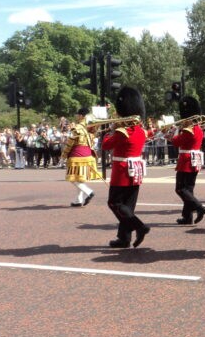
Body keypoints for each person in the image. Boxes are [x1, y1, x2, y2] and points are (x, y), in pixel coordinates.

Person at [102, 87, 150, 248]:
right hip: (135, 169)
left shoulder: (123, 132)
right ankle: (124, 238)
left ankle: (139, 227)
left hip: (122, 170)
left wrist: (110, 130)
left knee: (114, 203)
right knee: (127, 206)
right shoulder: (141, 131)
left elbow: (105, 145)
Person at [168, 96, 205, 225]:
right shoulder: (198, 129)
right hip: (194, 159)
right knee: (189, 189)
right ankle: (187, 217)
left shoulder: (188, 130)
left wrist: (171, 134)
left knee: (180, 189)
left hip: (186, 160)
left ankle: (199, 207)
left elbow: (176, 141)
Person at [61, 107, 98, 207]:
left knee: (72, 178)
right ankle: (78, 200)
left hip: (77, 155)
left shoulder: (77, 128)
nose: (77, 116)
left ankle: (89, 192)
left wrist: (63, 155)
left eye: (78, 114)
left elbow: (70, 143)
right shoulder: (89, 128)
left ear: (81, 116)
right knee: (80, 179)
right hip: (87, 155)